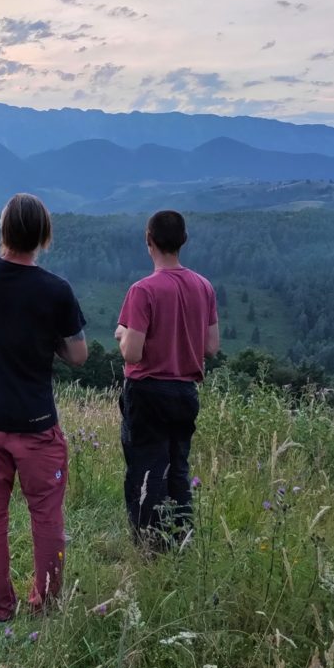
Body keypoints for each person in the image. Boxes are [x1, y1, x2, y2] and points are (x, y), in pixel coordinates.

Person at [0, 195, 88, 621]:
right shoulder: (57, 291)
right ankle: (46, 603)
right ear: (43, 237)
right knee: (45, 515)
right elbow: (78, 355)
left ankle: (0, 604)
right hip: (36, 425)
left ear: (4, 233)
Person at [114, 210, 219, 550]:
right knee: (178, 468)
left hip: (147, 391)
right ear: (182, 241)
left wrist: (121, 332)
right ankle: (181, 540)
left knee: (147, 471)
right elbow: (211, 347)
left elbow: (132, 352)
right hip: (185, 391)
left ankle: (149, 547)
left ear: (149, 242)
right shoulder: (203, 286)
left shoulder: (143, 290)